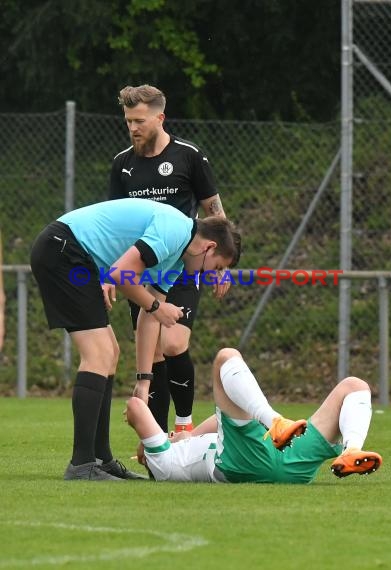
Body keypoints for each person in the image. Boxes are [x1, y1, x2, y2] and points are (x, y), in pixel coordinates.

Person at [30, 199, 241, 481]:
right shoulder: (175, 230)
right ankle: (82, 465)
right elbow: (120, 276)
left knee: (110, 352)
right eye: (216, 267)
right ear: (209, 247)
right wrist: (157, 308)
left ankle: (101, 460)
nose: (211, 276)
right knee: (99, 353)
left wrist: (144, 381)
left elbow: (149, 314)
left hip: (73, 253)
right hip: (63, 250)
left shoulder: (178, 260)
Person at [109, 84, 228, 435]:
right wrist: (110, 271)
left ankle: (185, 424)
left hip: (183, 266)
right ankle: (157, 440)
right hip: (144, 270)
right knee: (153, 356)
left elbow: (214, 211)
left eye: (140, 121)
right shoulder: (123, 164)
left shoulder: (189, 155)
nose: (133, 128)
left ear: (160, 118)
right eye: (128, 120)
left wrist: (222, 265)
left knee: (173, 342)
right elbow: (117, 221)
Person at [125, 347, 382, 483]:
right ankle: (274, 420)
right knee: (225, 357)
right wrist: (160, 438)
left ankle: (351, 450)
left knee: (355, 386)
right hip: (242, 463)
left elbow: (221, 422)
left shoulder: (188, 445)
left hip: (286, 457)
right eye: (165, 435)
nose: (170, 434)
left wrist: (189, 435)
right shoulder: (162, 464)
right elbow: (137, 410)